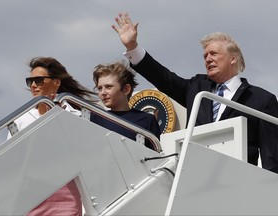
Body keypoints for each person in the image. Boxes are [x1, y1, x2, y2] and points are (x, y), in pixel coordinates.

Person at [111, 12, 278, 174]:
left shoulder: (261, 100)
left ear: (233, 58)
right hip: (194, 178)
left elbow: (272, 159)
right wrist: (132, 47)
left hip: (239, 182)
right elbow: (164, 78)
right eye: (205, 56)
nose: (208, 59)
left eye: (214, 54)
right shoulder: (197, 87)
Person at [8, 57, 97, 216]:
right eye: (30, 81)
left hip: (68, 193)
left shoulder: (77, 116)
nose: (33, 85)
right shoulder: (20, 120)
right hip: (30, 196)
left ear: (56, 82)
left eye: (39, 80)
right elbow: (11, 162)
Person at [90, 61, 161, 151]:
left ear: (126, 89)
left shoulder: (147, 120)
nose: (103, 93)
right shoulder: (95, 118)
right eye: (100, 88)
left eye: (108, 87)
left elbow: (155, 158)